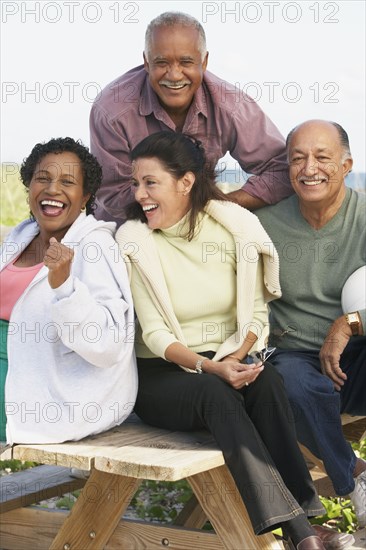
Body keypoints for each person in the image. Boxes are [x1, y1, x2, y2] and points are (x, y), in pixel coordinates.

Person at [115, 130, 355, 550]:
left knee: (268, 381)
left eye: (150, 183)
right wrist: (212, 368)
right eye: (136, 183)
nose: (140, 195)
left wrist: (240, 358)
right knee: (215, 393)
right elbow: (154, 335)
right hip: (162, 378)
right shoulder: (135, 241)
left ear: (185, 182)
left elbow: (255, 314)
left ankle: (303, 515)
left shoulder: (232, 229)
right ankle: (301, 532)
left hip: (227, 361)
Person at [256, 120, 366, 529]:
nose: (309, 168)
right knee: (288, 385)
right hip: (295, 358)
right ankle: (355, 475)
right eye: (298, 158)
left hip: (356, 354)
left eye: (322, 157)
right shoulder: (264, 224)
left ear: (346, 165)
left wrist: (349, 323)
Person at [90, 11, 293, 227]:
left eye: (186, 62)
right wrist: (185, 206)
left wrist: (220, 206)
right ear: (146, 62)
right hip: (128, 228)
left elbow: (281, 170)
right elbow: (113, 195)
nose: (174, 75)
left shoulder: (232, 107)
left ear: (204, 62)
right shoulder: (111, 110)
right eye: (161, 63)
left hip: (202, 225)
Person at [0, 137, 138, 445]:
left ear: (85, 195)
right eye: (43, 179)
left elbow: (108, 345)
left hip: (41, 389)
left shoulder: (94, 247)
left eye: (67, 182)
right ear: (29, 188)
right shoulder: (20, 238)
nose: (52, 190)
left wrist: (65, 286)